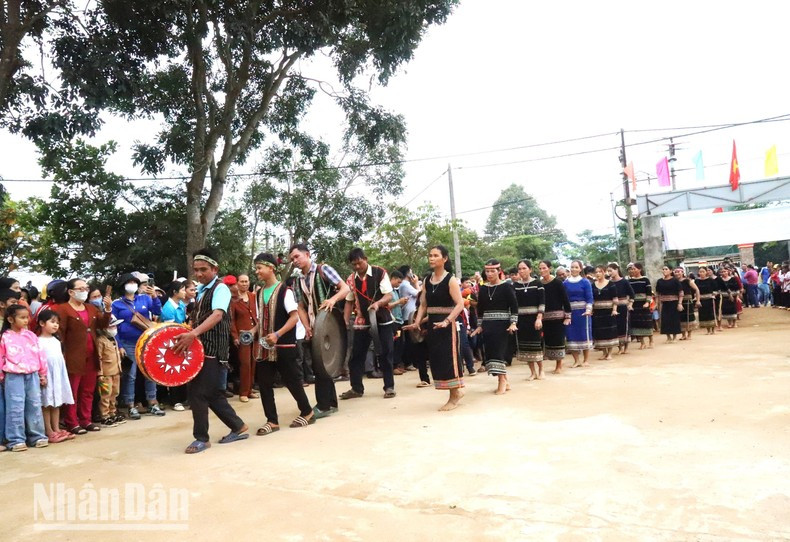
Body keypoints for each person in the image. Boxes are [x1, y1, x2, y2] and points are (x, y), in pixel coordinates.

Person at [172, 249, 248, 453]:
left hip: (213, 350)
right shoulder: (204, 289)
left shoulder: (220, 288)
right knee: (213, 394)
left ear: (215, 269)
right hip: (202, 349)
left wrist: (192, 334)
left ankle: (201, 438)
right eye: (195, 270)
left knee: (197, 393)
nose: (198, 274)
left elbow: (216, 316)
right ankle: (238, 426)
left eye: (203, 270)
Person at [253, 252, 315, 435]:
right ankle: (272, 421)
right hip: (265, 347)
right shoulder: (258, 293)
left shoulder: (284, 291)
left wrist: (278, 334)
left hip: (284, 346)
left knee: (292, 381)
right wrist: (252, 331)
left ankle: (307, 412)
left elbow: (294, 318)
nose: (257, 272)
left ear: (270, 268)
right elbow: (260, 320)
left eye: (259, 268)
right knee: (264, 384)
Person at [289, 243, 350, 418]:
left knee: (321, 364)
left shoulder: (324, 270)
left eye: (297, 257)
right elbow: (300, 306)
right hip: (315, 327)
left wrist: (332, 300)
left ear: (307, 254)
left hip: (330, 325)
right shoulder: (298, 280)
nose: (295, 261)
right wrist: (307, 326)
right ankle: (330, 403)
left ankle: (324, 405)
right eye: (292, 259)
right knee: (321, 363)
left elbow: (345, 288)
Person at [404, 245, 466, 410]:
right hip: (433, 325)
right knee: (437, 359)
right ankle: (455, 393)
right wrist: (417, 322)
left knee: (448, 359)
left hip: (447, 325)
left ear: (444, 259)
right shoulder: (427, 280)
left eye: (435, 255)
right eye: (430, 255)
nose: (431, 258)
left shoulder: (450, 279)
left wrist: (447, 321)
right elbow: (423, 305)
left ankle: (455, 395)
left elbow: (460, 304)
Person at [54, 278, 112, 434]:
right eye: (80, 289)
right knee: (73, 390)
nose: (84, 291)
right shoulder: (63, 309)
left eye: (86, 288)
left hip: (91, 354)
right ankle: (72, 422)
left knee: (88, 390)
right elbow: (59, 333)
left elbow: (102, 325)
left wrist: (107, 310)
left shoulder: (90, 308)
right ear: (71, 292)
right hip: (73, 355)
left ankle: (86, 420)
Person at [341, 247, 396, 400]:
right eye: (354, 264)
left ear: (366, 259)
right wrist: (345, 321)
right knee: (356, 355)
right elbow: (349, 301)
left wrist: (378, 304)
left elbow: (389, 295)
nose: (357, 267)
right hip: (362, 319)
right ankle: (356, 388)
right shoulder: (351, 279)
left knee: (386, 353)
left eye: (359, 263)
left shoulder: (380, 272)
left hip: (382, 317)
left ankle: (389, 387)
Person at [112, 272, 165, 419]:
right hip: (128, 343)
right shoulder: (117, 304)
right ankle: (130, 405)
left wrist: (154, 297)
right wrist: (119, 345)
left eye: (134, 282)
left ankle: (153, 402)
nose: (132, 285)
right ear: (123, 286)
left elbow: (157, 311)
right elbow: (113, 326)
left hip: (146, 340)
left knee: (150, 372)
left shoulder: (145, 298)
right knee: (131, 375)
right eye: (129, 282)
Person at [0, 304, 49, 451]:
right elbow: (1, 357)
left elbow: (40, 355)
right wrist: (1, 376)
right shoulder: (4, 337)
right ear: (10, 319)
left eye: (27, 317)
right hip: (13, 376)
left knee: (34, 404)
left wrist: (43, 373)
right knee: (15, 407)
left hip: (32, 374)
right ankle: (15, 439)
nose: (26, 320)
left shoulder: (31, 335)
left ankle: (37, 436)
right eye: (22, 318)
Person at [471, 259, 518, 395]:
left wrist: (513, 323)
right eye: (487, 271)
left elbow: (514, 306)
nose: (490, 274)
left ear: (499, 271)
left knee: (499, 352)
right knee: (490, 353)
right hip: (488, 326)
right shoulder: (484, 288)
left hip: (503, 325)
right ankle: (505, 379)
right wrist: (479, 326)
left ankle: (501, 381)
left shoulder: (506, 286)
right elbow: (480, 309)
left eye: (493, 271)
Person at [37, 310, 75, 443]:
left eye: (57, 323)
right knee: (46, 402)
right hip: (47, 375)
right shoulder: (38, 341)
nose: (55, 325)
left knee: (56, 402)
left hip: (57, 374)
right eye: (52, 322)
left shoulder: (56, 340)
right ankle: (48, 430)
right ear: (42, 323)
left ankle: (57, 428)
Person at [228, 274, 259, 402]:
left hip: (255, 335)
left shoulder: (253, 297)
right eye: (242, 282)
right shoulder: (233, 300)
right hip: (242, 337)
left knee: (254, 362)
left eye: (246, 281)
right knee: (245, 364)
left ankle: (250, 389)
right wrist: (235, 336)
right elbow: (232, 320)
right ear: (237, 283)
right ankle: (243, 392)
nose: (245, 284)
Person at [513, 260, 545, 380]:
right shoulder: (515, 286)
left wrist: (539, 318)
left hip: (534, 319)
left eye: (524, 268)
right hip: (521, 320)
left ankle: (541, 370)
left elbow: (542, 302)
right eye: (520, 269)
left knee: (536, 345)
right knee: (525, 347)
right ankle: (532, 372)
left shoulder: (538, 284)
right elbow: (514, 304)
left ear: (530, 269)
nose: (522, 271)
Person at [538, 260, 571, 374]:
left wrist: (568, 316)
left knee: (558, 340)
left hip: (558, 316)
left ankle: (559, 365)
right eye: (540, 268)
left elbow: (565, 299)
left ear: (549, 268)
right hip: (545, 317)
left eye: (544, 268)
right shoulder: (539, 284)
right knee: (548, 340)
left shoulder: (557, 283)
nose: (542, 270)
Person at [96, 316, 125, 427]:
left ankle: (113, 412)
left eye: (115, 326)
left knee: (115, 393)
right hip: (106, 374)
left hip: (116, 371)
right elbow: (99, 358)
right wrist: (100, 374)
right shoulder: (100, 341)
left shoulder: (113, 339)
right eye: (111, 326)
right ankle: (105, 415)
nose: (114, 328)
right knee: (105, 395)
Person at [564, 260, 593, 367]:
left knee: (584, 334)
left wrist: (588, 310)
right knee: (571, 335)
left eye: (576, 267)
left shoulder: (585, 282)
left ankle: (586, 360)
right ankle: (576, 360)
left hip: (583, 312)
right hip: (570, 313)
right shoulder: (565, 283)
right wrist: (566, 313)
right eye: (572, 267)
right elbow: (564, 299)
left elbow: (589, 298)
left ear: (580, 269)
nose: (574, 269)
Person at [591, 265, 619, 360]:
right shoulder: (593, 285)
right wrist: (591, 310)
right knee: (600, 331)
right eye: (596, 272)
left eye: (600, 271)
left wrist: (614, 309)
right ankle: (604, 352)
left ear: (604, 272)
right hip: (597, 312)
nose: (598, 274)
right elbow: (592, 299)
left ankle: (610, 353)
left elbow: (615, 298)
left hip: (609, 311)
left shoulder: (610, 284)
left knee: (609, 331)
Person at [608, 263, 634, 355]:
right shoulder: (609, 283)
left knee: (625, 326)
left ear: (617, 270)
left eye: (611, 270)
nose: (609, 273)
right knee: (616, 327)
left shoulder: (624, 282)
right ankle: (619, 347)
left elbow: (632, 294)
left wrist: (630, 304)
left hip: (623, 307)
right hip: (613, 308)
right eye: (608, 271)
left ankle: (625, 347)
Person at [627, 263, 654, 349]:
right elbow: (629, 293)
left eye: (634, 269)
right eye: (631, 269)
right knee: (637, 323)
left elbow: (649, 292)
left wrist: (647, 302)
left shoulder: (645, 280)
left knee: (647, 322)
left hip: (644, 303)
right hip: (634, 304)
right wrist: (629, 303)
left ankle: (651, 340)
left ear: (640, 269)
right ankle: (642, 342)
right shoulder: (630, 281)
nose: (632, 270)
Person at [387, 270, 408, 375]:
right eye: (398, 282)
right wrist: (399, 301)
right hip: (392, 320)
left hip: (399, 320)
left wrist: (402, 303)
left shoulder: (396, 291)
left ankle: (397, 364)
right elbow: (387, 306)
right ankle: (393, 366)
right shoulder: (388, 291)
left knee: (400, 344)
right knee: (394, 344)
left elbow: (397, 306)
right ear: (393, 279)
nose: (399, 284)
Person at [655, 266, 683, 342]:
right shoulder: (659, 281)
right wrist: (656, 304)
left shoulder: (675, 280)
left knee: (674, 319)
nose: (664, 270)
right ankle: (668, 337)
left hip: (674, 302)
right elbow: (657, 293)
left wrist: (680, 303)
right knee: (665, 319)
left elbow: (680, 292)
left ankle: (674, 337)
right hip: (664, 303)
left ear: (671, 271)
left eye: (666, 269)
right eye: (663, 269)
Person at [674, 267, 700, 340]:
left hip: (687, 301)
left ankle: (689, 334)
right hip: (678, 301)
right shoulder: (674, 281)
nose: (677, 273)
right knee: (681, 317)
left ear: (682, 272)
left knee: (689, 317)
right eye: (676, 272)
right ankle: (683, 334)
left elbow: (697, 289)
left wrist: (698, 300)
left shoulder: (688, 281)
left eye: (679, 271)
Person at [695, 266, 718, 334]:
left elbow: (716, 289)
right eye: (700, 272)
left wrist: (713, 294)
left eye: (703, 272)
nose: (701, 273)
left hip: (710, 299)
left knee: (711, 314)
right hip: (701, 300)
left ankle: (713, 330)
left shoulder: (711, 280)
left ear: (706, 272)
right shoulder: (697, 281)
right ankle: (708, 330)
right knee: (703, 314)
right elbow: (695, 291)